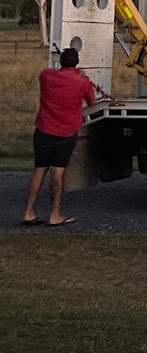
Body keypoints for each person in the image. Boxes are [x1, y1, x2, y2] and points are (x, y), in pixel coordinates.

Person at [21, 48, 96, 227]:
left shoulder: (46, 76)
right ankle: (54, 215)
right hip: (66, 133)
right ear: (76, 63)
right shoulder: (82, 83)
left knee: (39, 170)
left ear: (61, 61)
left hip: (43, 130)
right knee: (58, 173)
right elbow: (91, 101)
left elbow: (50, 73)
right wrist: (82, 77)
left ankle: (29, 212)